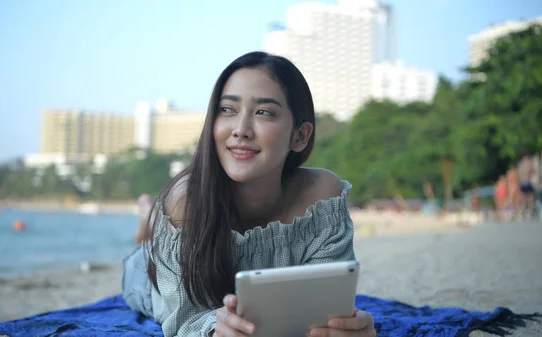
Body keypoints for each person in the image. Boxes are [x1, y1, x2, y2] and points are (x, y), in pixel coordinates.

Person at [121, 51, 376, 337]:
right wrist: (214, 330)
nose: (240, 130)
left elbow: (326, 306)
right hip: (149, 277)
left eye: (263, 112)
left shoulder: (321, 198)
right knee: (141, 265)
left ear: (300, 136)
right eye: (227, 109)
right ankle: (149, 220)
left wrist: (347, 329)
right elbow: (182, 319)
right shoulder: (184, 203)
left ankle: (148, 214)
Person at [517, 154, 537, 219]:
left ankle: (522, 214)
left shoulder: (520, 165)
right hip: (527, 183)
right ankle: (532, 213)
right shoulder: (529, 163)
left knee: (524, 199)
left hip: (522, 184)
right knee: (531, 198)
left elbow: (518, 176)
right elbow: (534, 171)